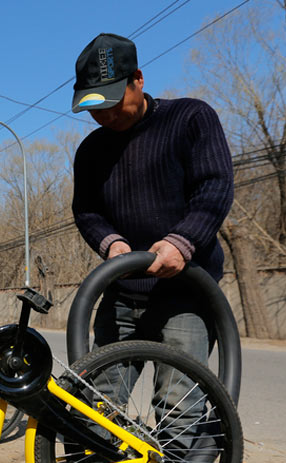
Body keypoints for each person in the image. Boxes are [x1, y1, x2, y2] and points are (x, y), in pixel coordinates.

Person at [70, 32, 234, 366]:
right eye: (95, 108)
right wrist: (111, 245)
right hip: (121, 294)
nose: (106, 115)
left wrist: (181, 242)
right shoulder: (90, 151)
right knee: (98, 406)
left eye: (113, 103)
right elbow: (87, 211)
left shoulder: (191, 119)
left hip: (186, 291)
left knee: (178, 406)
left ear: (138, 80)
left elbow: (214, 187)